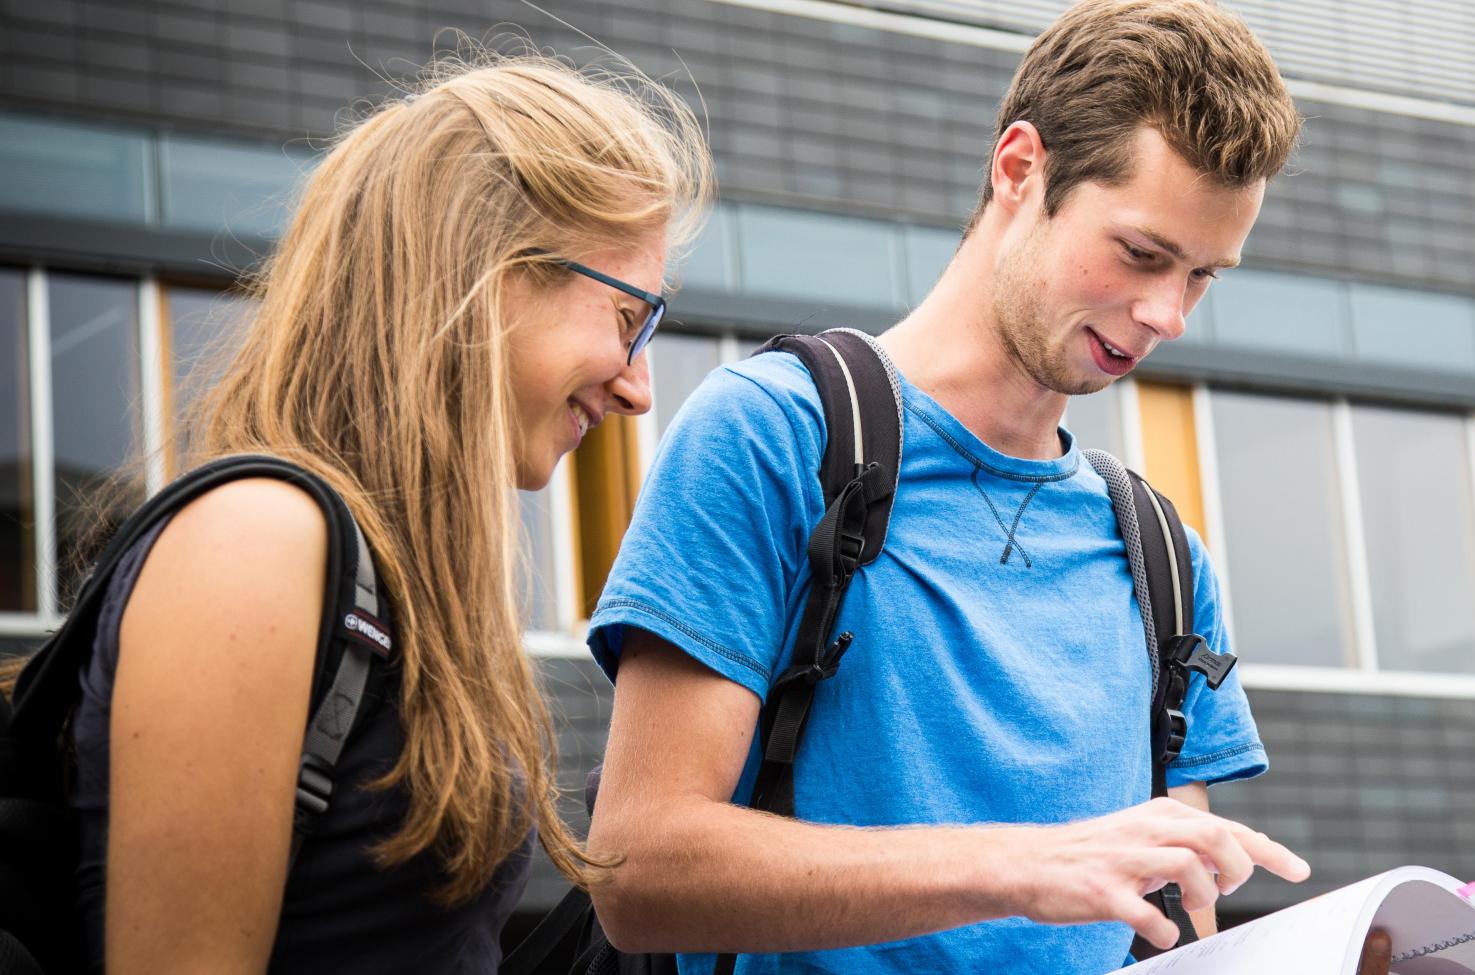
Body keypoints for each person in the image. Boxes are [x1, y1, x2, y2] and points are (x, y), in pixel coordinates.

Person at [579, 1, 1324, 971]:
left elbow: (1172, 925)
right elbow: (635, 875)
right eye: (1141, 254)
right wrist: (1016, 869)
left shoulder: (1163, 562)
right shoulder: (774, 434)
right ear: (1020, 169)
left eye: (1202, 276)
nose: (1167, 314)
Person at [41, 50, 710, 971]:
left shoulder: (386, 582)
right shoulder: (259, 542)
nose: (639, 387)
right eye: (631, 317)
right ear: (490, 274)